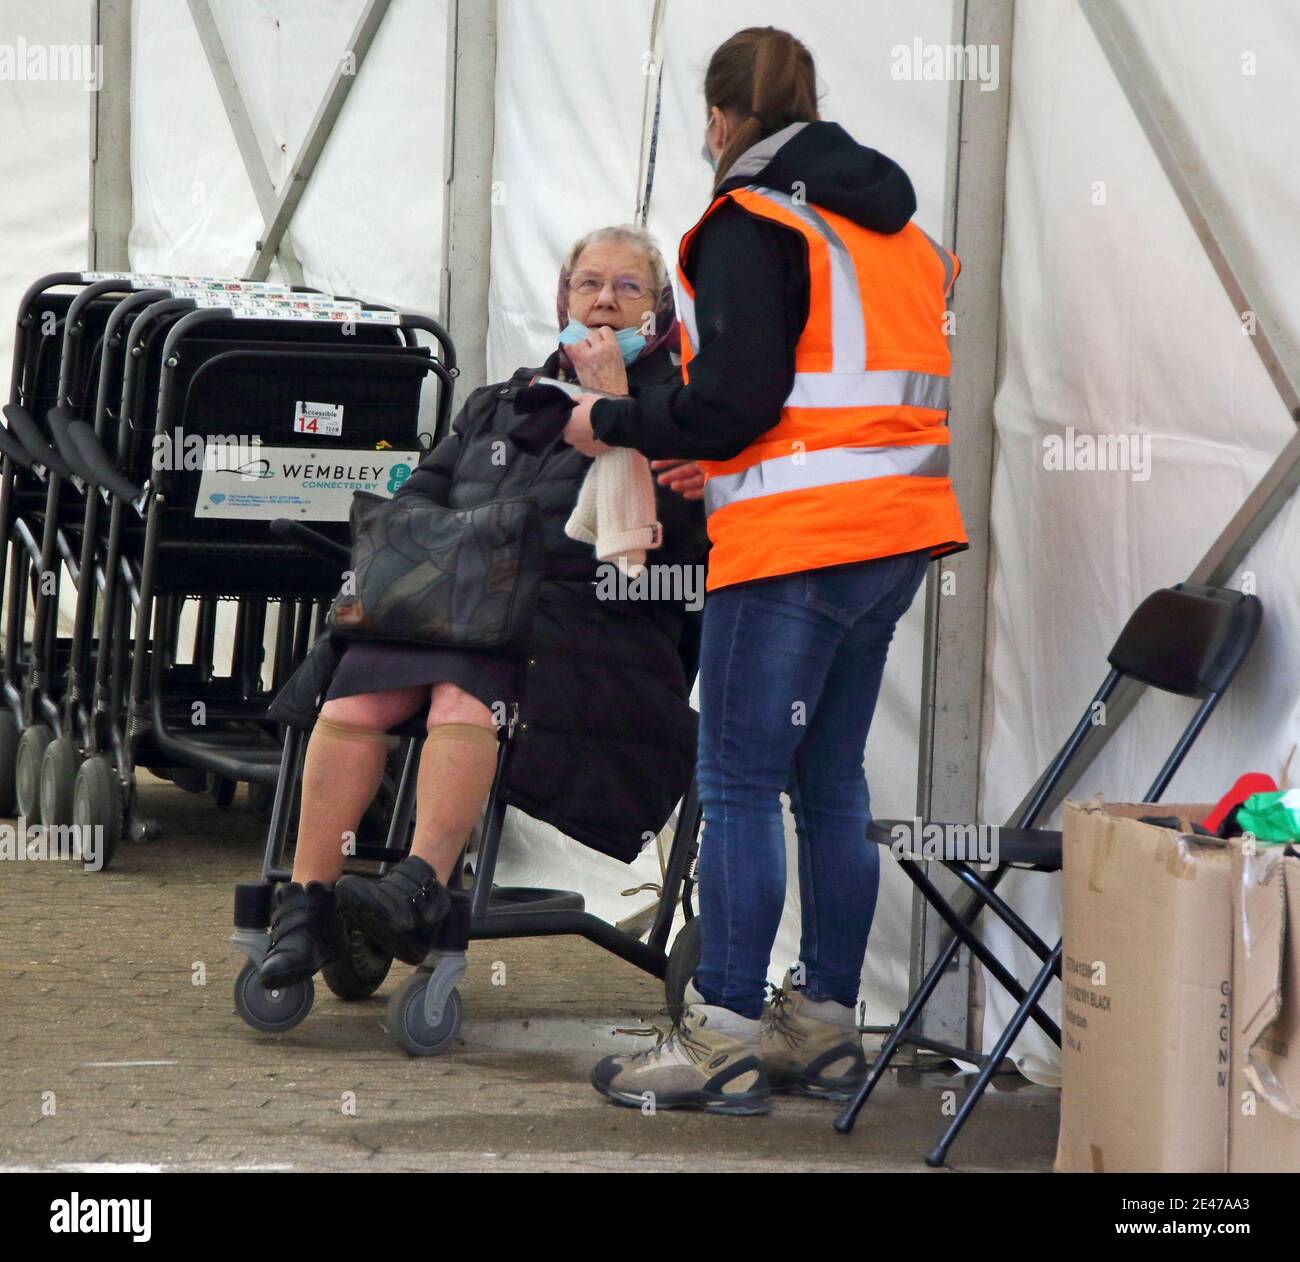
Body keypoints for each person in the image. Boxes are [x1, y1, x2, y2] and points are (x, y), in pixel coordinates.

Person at [565, 28, 968, 1114]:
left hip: (796, 544)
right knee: (828, 780)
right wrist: (717, 451)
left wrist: (611, 418)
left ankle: (722, 1030)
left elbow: (736, 398)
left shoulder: (751, 222)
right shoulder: (900, 234)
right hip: (897, 531)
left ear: (717, 122)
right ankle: (825, 1022)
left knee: (740, 778)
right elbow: (818, 398)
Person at [258, 225, 705, 989]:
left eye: (627, 288)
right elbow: (418, 504)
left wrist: (615, 407)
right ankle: (308, 901)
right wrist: (445, 557)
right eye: (588, 283)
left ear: (657, 310)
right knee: (358, 684)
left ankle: (419, 885)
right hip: (466, 608)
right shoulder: (503, 401)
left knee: (464, 683)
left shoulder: (681, 413)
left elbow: (669, 550)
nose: (604, 300)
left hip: (599, 627)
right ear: (562, 298)